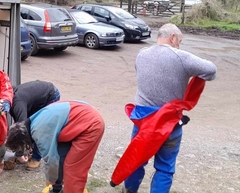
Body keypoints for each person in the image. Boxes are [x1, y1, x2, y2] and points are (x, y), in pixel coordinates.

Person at [119, 23, 217, 193]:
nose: (179, 45)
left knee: (136, 159)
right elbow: (211, 70)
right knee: (165, 166)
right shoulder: (181, 57)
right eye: (179, 41)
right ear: (172, 37)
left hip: (143, 121)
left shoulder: (141, 54)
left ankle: (129, 190)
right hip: (169, 123)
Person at [5, 100, 105, 193]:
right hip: (80, 117)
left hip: (90, 125)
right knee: (61, 156)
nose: (28, 150)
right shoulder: (32, 121)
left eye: (24, 147)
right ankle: (59, 188)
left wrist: (50, 180)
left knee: (73, 168)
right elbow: (57, 156)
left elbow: (51, 160)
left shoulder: (39, 132)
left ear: (23, 140)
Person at [9, 80, 61, 170]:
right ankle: (29, 152)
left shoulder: (18, 104)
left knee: (39, 127)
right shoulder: (9, 96)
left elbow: (22, 129)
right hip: (35, 98)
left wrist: (19, 154)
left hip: (50, 96)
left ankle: (36, 157)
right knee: (30, 124)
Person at [0, 70, 13, 174]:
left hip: (0, 128)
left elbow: (7, 90)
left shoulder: (1, 75)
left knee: (1, 148)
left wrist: (6, 101)